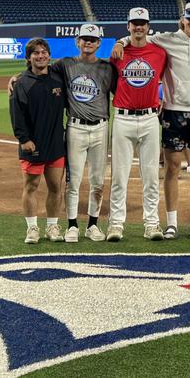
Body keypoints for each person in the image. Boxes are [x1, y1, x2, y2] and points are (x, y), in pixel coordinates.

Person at [112, 2, 190, 240]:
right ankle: (171, 223)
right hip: (174, 111)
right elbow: (137, 35)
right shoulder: (165, 39)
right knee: (171, 168)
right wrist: (121, 41)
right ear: (182, 19)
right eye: (189, 18)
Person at [108, 7, 167, 241]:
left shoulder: (160, 53)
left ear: (148, 26)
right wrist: (120, 43)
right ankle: (116, 224)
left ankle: (152, 224)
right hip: (122, 118)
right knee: (119, 176)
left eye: (142, 23)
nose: (139, 27)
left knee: (151, 176)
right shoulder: (117, 54)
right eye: (135, 23)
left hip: (150, 118)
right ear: (128, 26)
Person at [56, 24, 118, 242]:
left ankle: (93, 225)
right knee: (73, 181)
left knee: (98, 181)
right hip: (75, 127)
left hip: (101, 127)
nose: (88, 42)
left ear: (99, 43)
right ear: (77, 41)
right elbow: (40, 72)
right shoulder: (65, 65)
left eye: (93, 39)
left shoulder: (108, 68)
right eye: (85, 39)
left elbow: (123, 91)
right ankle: (71, 225)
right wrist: (16, 77)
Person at [9, 38, 66, 244]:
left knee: (55, 187)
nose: (41, 56)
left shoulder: (59, 79)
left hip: (56, 143)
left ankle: (52, 226)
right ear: (28, 57)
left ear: (49, 55)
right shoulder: (22, 83)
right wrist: (24, 139)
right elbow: (16, 113)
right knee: (31, 185)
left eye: (44, 52)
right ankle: (32, 228)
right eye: (36, 53)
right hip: (33, 143)